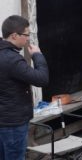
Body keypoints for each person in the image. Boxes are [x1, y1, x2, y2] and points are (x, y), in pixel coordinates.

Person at [0, 15, 49, 160]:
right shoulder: (12, 60)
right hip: (12, 123)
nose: (28, 38)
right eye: (26, 35)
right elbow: (42, 79)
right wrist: (37, 55)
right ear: (14, 36)